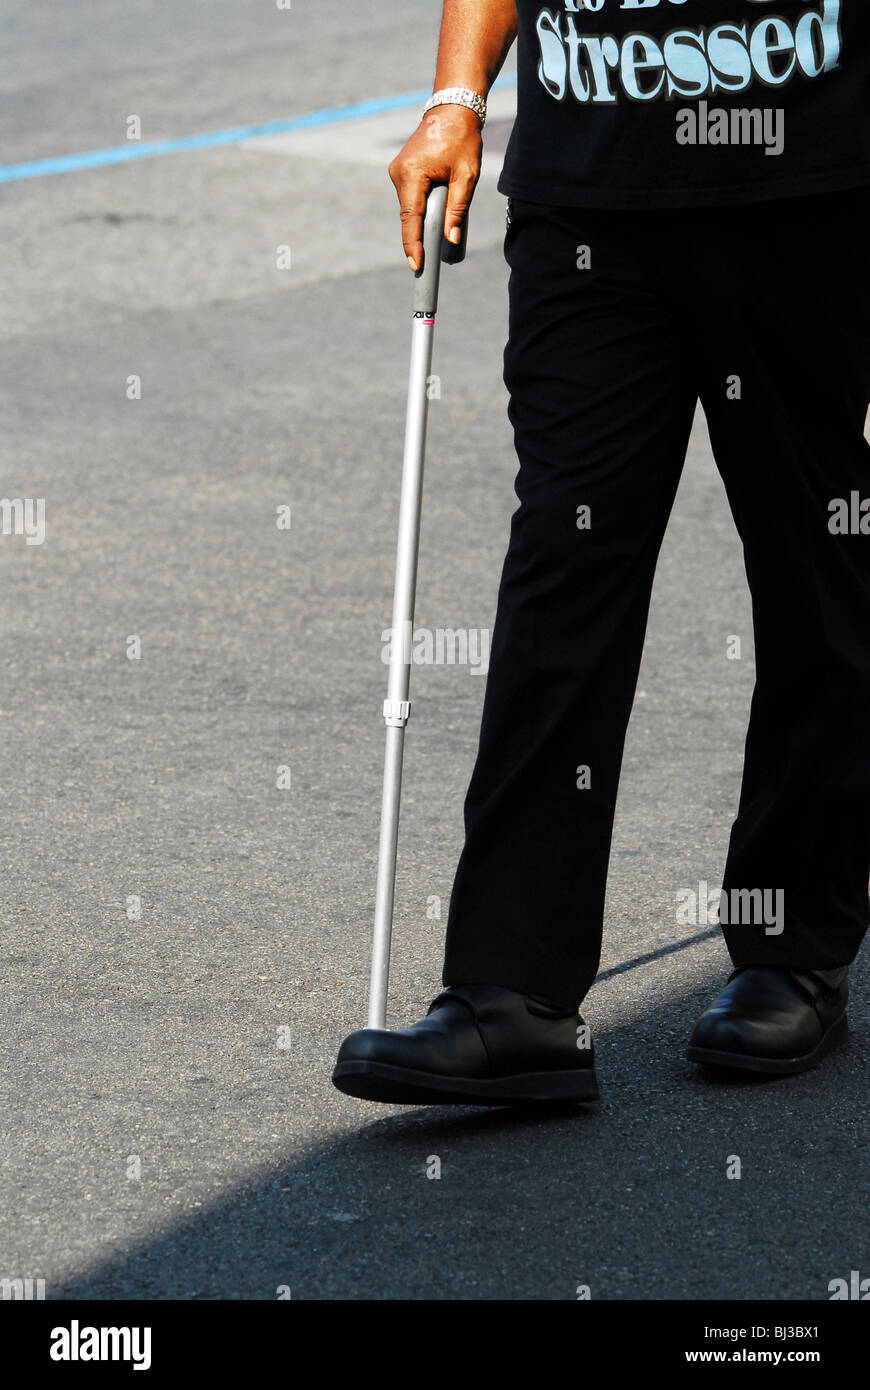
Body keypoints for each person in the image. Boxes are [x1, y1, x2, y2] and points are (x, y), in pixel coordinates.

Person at [332, 0, 870, 1105]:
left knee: (815, 564)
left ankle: (793, 948)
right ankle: (512, 990)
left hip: (799, 177)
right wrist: (455, 99)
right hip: (588, 183)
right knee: (565, 560)